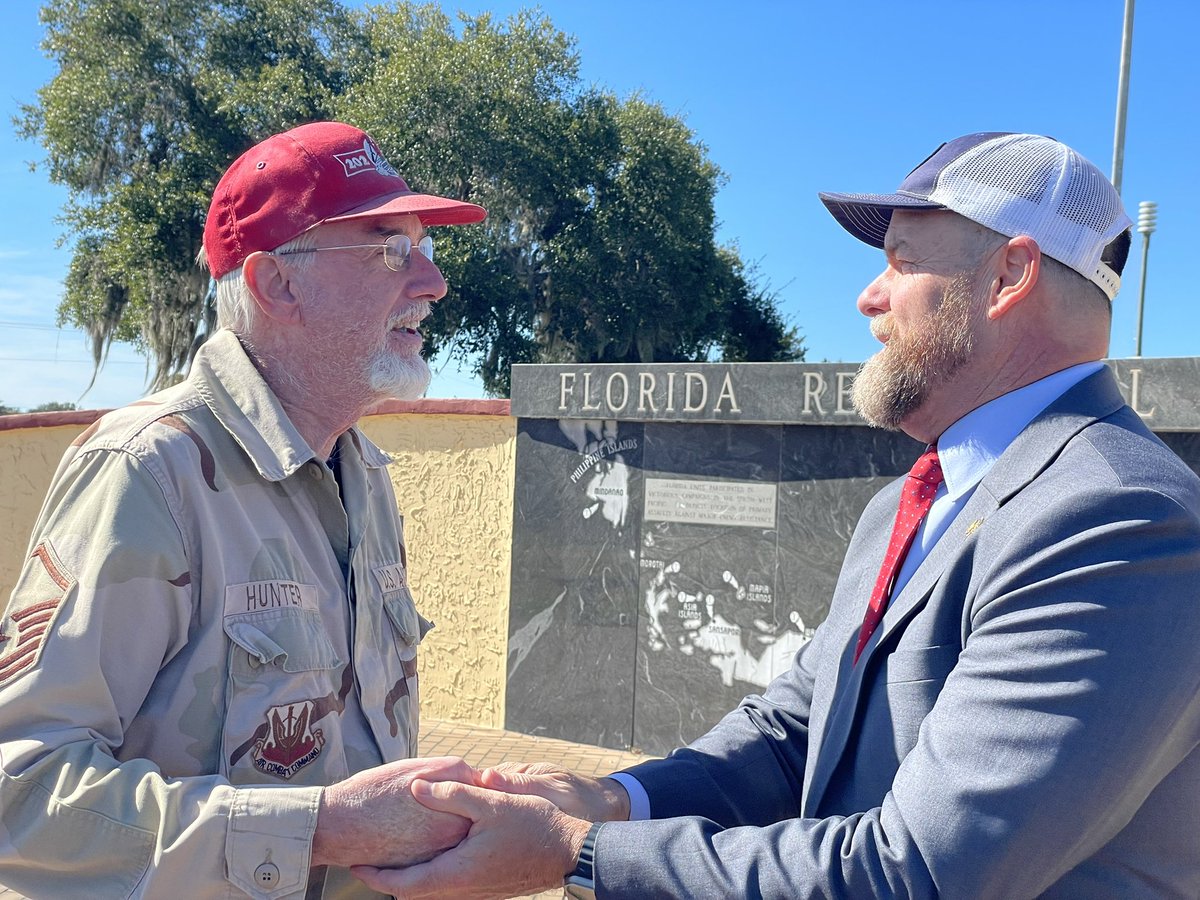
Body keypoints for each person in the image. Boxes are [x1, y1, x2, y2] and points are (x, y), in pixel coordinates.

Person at [354, 133, 1200, 899]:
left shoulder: (1119, 517)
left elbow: (922, 872)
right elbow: (796, 731)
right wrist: (613, 796)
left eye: (903, 261)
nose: (870, 297)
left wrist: (576, 852)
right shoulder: (909, 503)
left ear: (1008, 277)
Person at [0, 121, 488, 897]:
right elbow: (18, 793)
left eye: (427, 249)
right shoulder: (148, 471)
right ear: (276, 284)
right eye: (393, 248)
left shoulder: (362, 469)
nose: (433, 283)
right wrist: (319, 828)